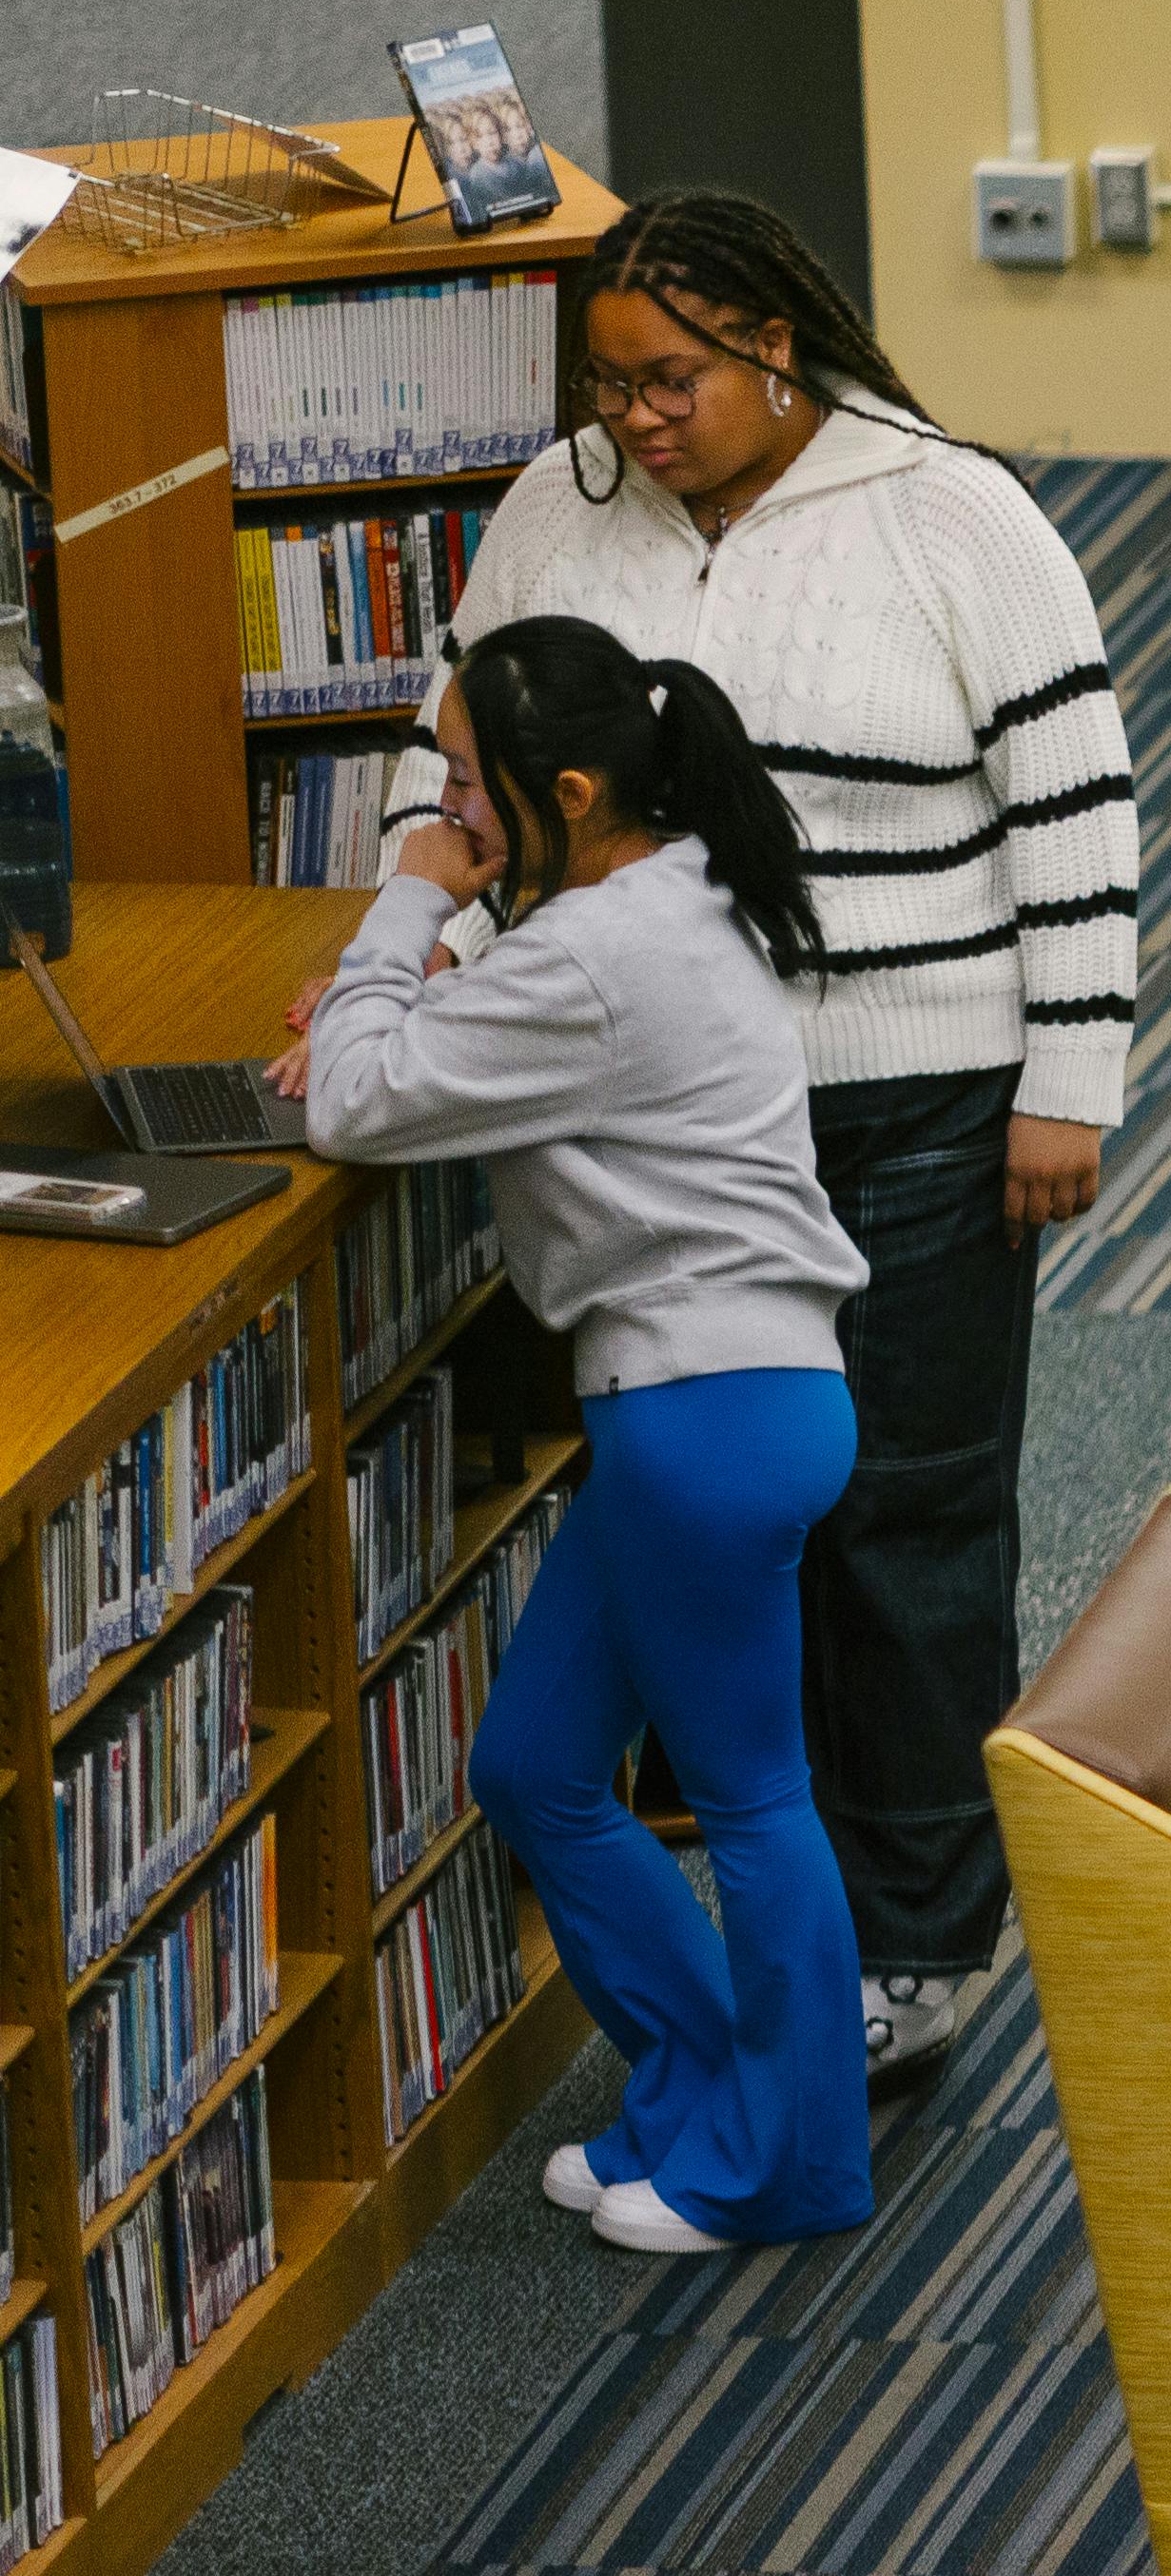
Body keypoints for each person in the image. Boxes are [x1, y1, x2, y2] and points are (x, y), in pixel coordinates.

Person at [409, 189, 1144, 2096]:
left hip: (914, 1093)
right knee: (717, 1514)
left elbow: (1073, 803)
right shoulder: (557, 514)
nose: (633, 421)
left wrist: (1072, 1075)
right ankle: (751, 1889)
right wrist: (421, 942)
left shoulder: (947, 514)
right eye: (607, 382)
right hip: (652, 1099)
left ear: (774, 349)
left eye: (669, 380)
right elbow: (455, 762)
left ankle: (912, 1942)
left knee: (901, 1515)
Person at [286, 618, 874, 2256]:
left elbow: (355, 1100)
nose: (451, 811)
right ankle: (701, 2092)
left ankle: (786, 2167)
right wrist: (439, 983)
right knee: (535, 1766)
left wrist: (414, 900)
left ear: (560, 788)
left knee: (756, 1804)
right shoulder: (670, 884)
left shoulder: (587, 954)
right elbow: (444, 1053)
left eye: (467, 787)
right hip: (726, 1396)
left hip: (706, 1415)